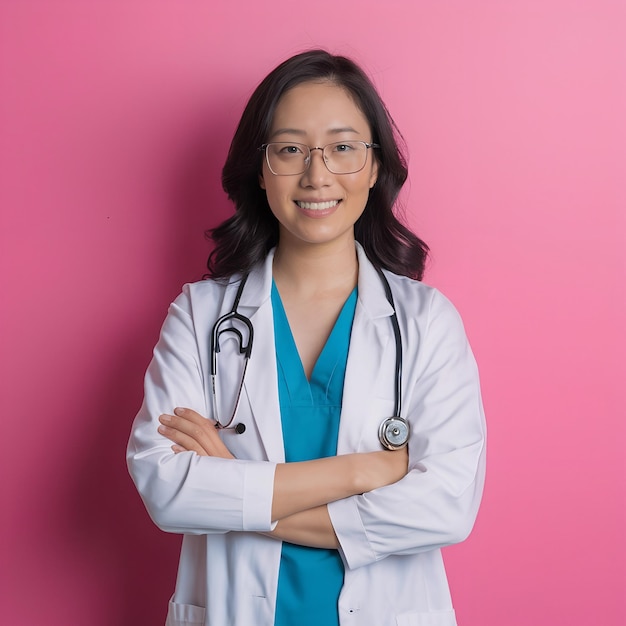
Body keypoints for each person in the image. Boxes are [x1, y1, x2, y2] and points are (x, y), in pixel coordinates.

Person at [127, 49, 486, 626]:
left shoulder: (425, 322)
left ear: (374, 167)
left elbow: (445, 507)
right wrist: (363, 472)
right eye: (291, 149)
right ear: (260, 168)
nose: (317, 175)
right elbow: (167, 489)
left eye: (343, 148)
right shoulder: (200, 316)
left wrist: (234, 492)